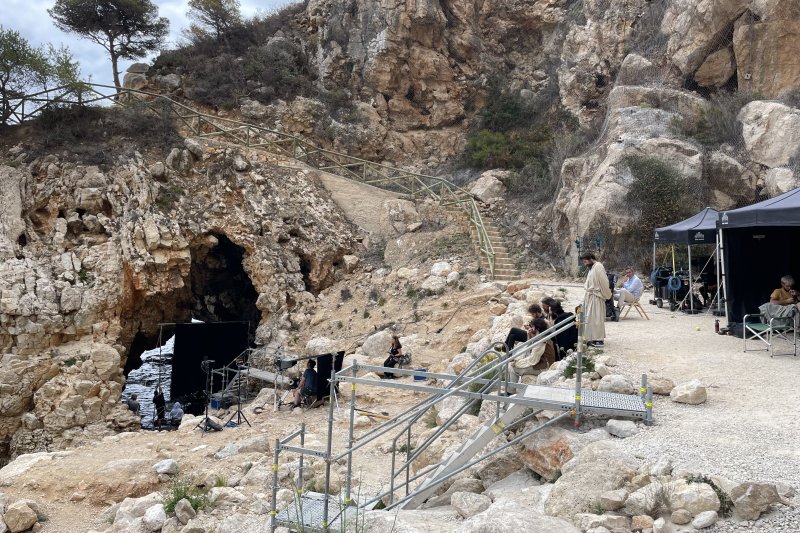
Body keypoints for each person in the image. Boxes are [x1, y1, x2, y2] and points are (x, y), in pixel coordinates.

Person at [509, 318, 556, 383]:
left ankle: (510, 392)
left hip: (543, 368)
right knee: (513, 365)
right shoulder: (540, 337)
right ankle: (510, 391)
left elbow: (533, 359)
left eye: (532, 327)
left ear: (537, 328)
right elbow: (528, 349)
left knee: (513, 369)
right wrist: (529, 335)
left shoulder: (542, 341)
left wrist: (518, 364)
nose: (530, 328)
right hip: (540, 364)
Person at [581, 252, 612, 347]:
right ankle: (590, 337)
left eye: (585, 261)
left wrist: (607, 295)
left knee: (596, 318)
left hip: (596, 297)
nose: (585, 264)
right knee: (589, 318)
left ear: (591, 258)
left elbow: (604, 283)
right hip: (590, 296)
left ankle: (598, 339)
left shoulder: (598, 267)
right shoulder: (591, 268)